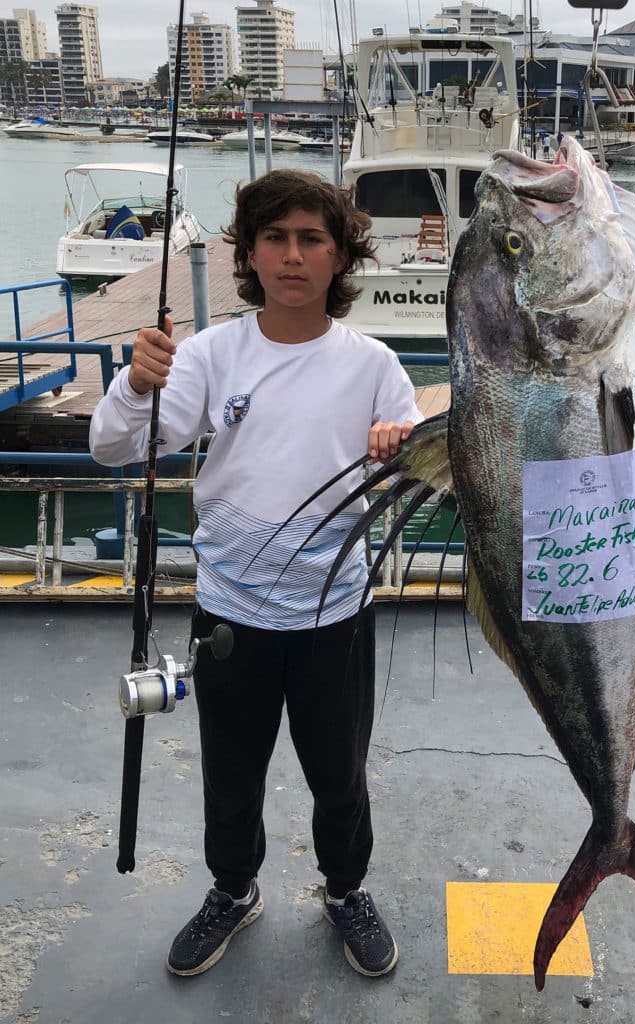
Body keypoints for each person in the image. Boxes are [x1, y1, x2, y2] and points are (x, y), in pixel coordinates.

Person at [90, 168, 422, 979]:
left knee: (338, 775)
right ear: (251, 253)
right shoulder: (208, 353)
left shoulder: (374, 363)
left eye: (312, 238)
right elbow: (115, 447)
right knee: (230, 774)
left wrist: (399, 447)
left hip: (333, 616)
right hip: (229, 613)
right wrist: (136, 383)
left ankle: (345, 890)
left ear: (341, 255)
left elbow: (422, 463)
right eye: (274, 237)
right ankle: (232, 891)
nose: (292, 255)